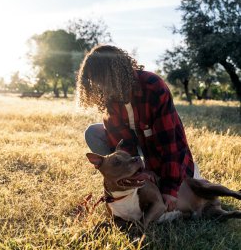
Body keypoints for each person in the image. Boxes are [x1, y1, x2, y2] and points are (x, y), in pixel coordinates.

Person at [77, 45, 195, 211]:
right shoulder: (110, 97)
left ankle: (166, 180)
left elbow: (170, 142)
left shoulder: (153, 85)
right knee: (94, 133)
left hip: (161, 149)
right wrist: (137, 172)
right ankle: (125, 183)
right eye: (95, 82)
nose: (100, 87)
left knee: (181, 190)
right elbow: (119, 143)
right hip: (136, 152)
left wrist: (170, 189)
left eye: (102, 80)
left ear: (116, 73)